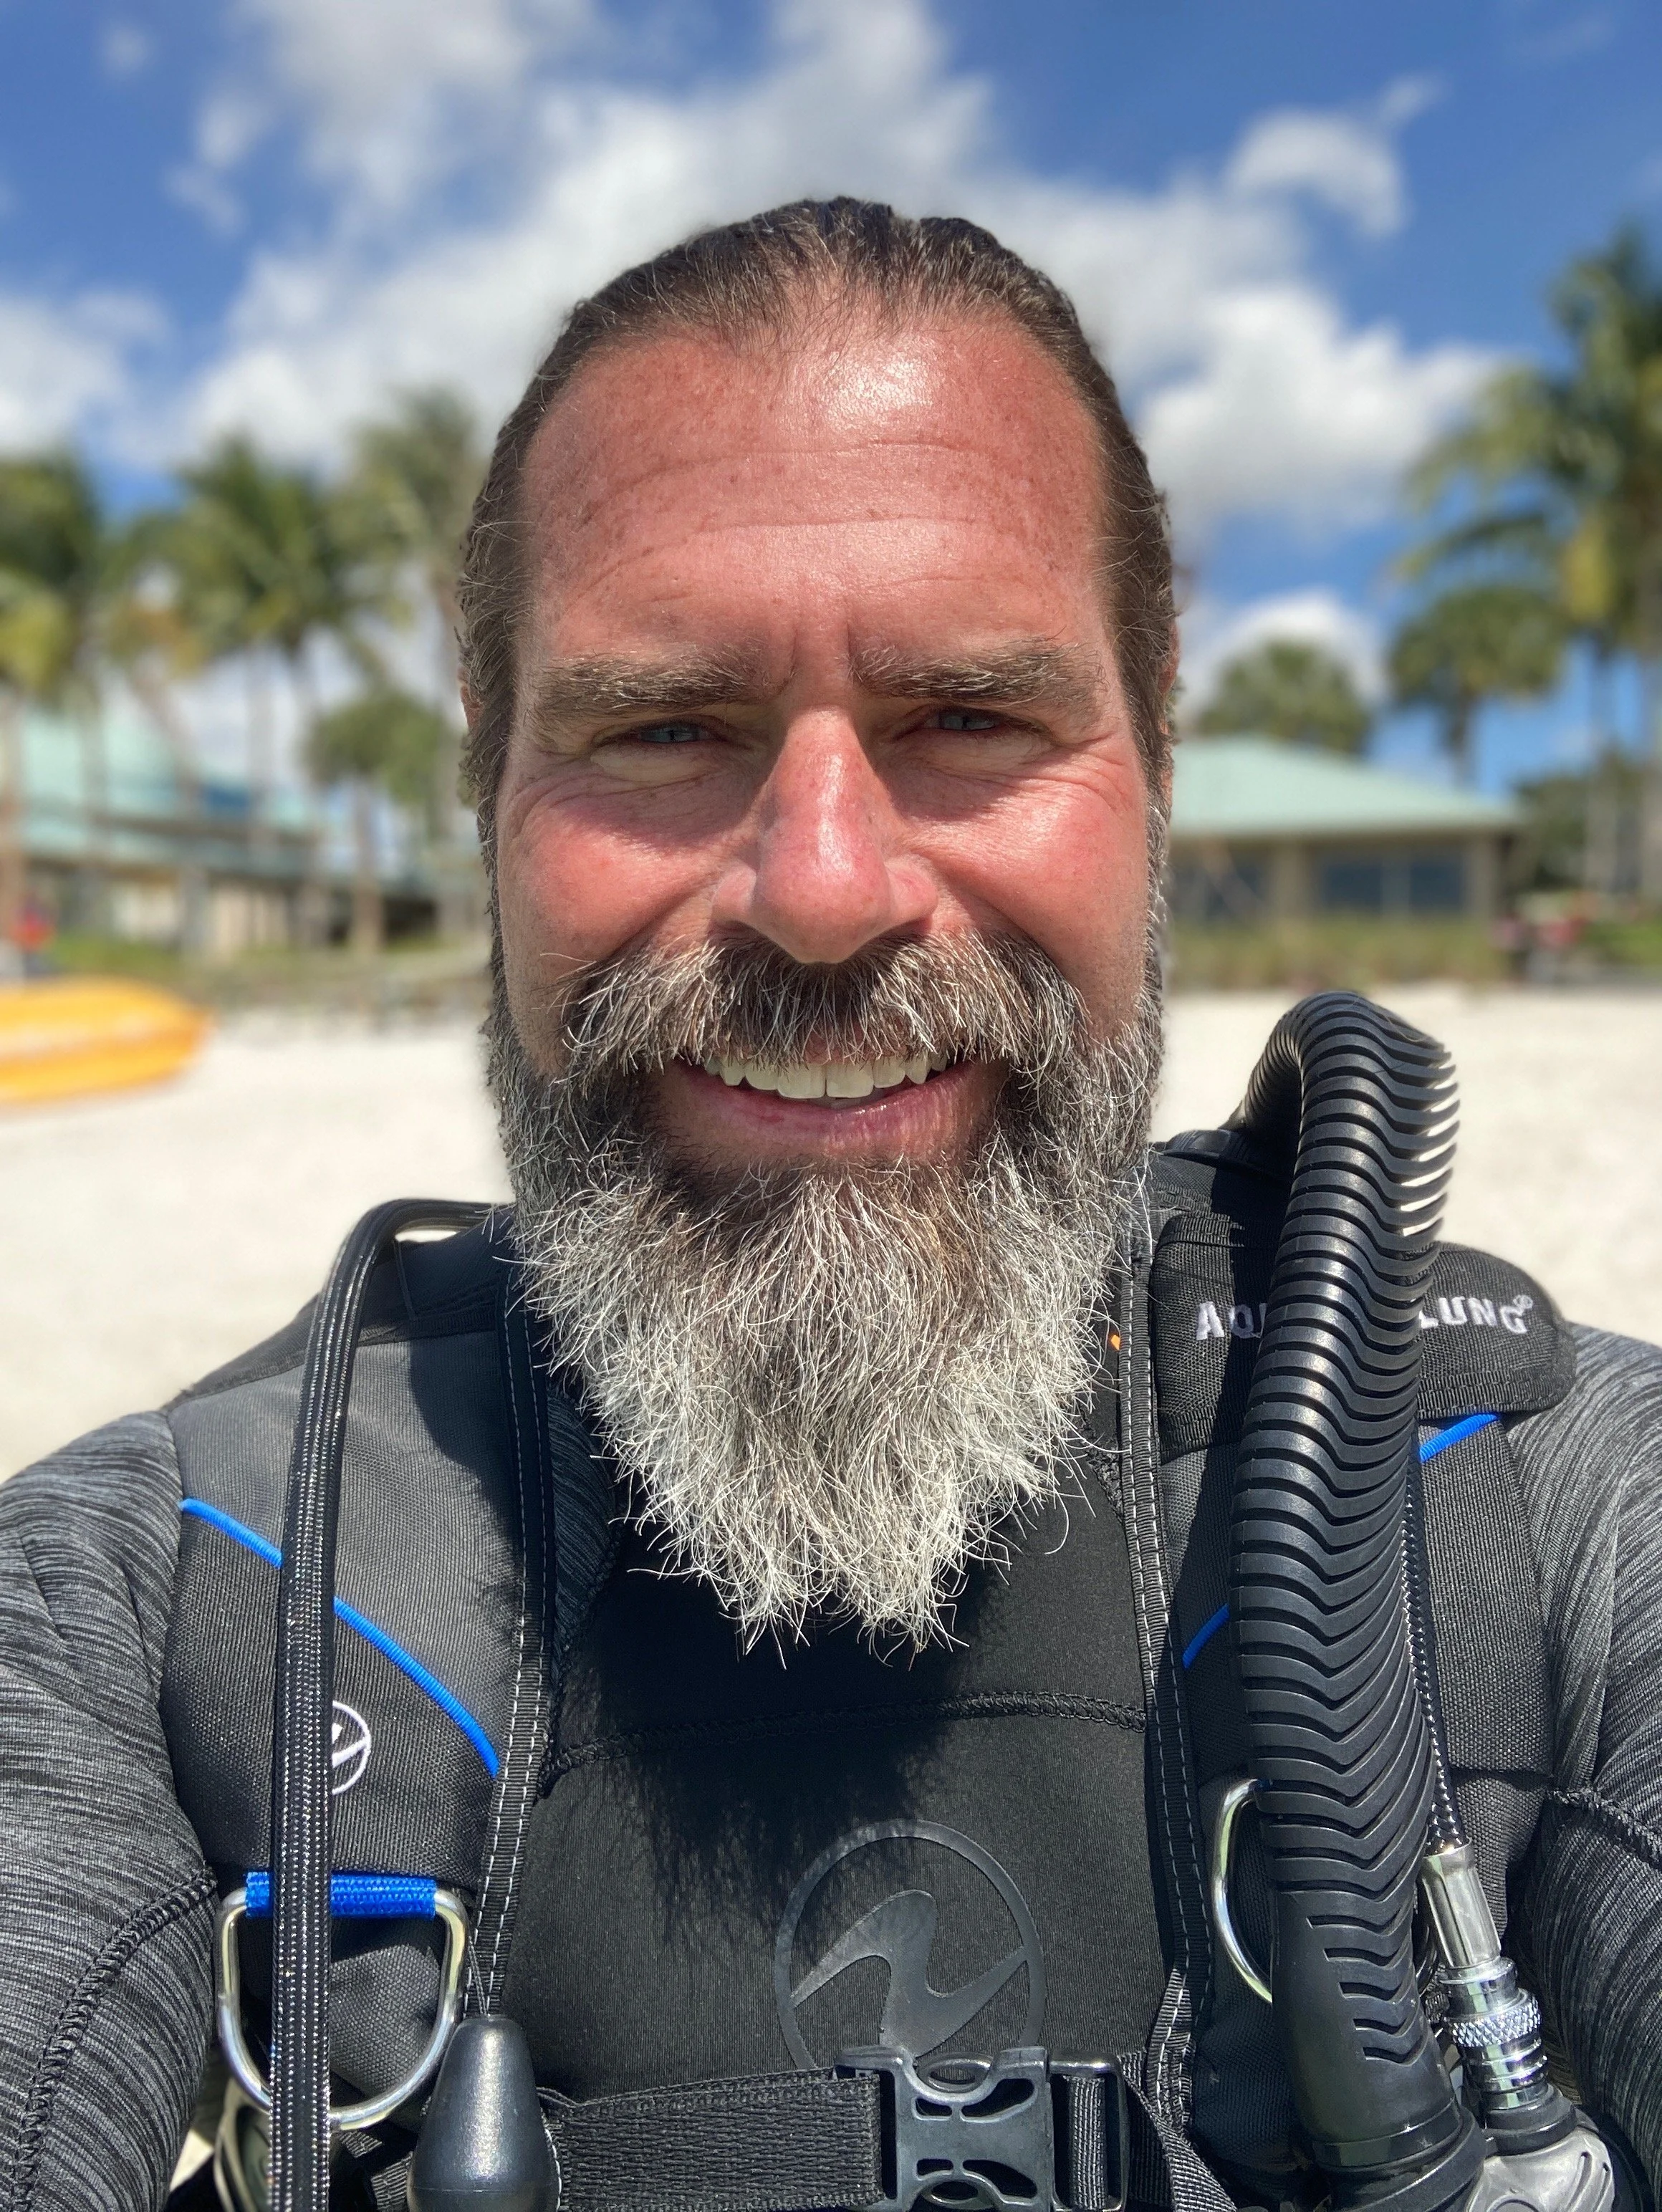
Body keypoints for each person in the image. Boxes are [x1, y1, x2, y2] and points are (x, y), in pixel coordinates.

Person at [0, 199, 1658, 2212]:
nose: (825, 885)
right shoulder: (181, 1583)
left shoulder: (1525, 1515)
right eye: (666, 731)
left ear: (1155, 793)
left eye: (969, 718)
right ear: (490, 814)